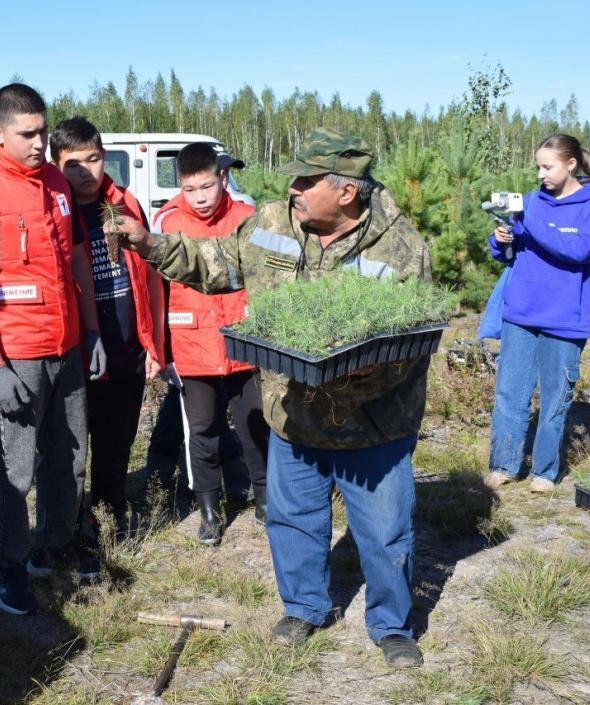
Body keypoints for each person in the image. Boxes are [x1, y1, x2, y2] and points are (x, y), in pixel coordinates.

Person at [111, 129, 432, 669]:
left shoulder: (400, 249)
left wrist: (337, 375)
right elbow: (219, 262)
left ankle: (391, 624)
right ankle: (304, 606)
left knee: (383, 533)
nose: (294, 190)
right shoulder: (273, 223)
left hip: (372, 427)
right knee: (293, 519)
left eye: (306, 181)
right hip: (291, 417)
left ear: (346, 192)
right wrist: (148, 243)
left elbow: (409, 346)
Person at [0, 84, 105, 616]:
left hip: (66, 348)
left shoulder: (58, 183)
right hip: (15, 355)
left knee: (70, 457)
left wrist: (92, 333)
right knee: (16, 468)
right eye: (28, 134)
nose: (41, 142)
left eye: (43, 131)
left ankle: (51, 547)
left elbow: (76, 262)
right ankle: (7, 570)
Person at [50, 116, 164, 535]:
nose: (86, 172)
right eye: (73, 164)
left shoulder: (125, 204)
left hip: (127, 347)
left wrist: (154, 343)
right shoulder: (55, 211)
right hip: (78, 352)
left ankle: (110, 511)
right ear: (57, 166)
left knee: (117, 443)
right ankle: (74, 523)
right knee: (74, 445)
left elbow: (150, 276)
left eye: (94, 159)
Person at [484, 134, 590, 493]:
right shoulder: (530, 201)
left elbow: (576, 250)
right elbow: (507, 252)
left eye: (548, 166)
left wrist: (529, 222)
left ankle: (544, 471)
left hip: (563, 320)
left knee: (555, 399)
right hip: (520, 314)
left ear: (571, 164)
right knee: (510, 394)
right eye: (538, 166)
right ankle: (503, 465)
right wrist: (501, 240)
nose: (541, 173)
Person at [152, 143, 268, 545]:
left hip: (243, 344)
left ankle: (266, 500)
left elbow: (264, 281)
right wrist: (159, 350)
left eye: (206, 186)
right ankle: (208, 511)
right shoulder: (167, 224)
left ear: (222, 178)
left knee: (256, 425)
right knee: (202, 430)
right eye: (189, 189)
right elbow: (157, 292)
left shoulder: (247, 218)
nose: (199, 197)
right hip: (192, 346)